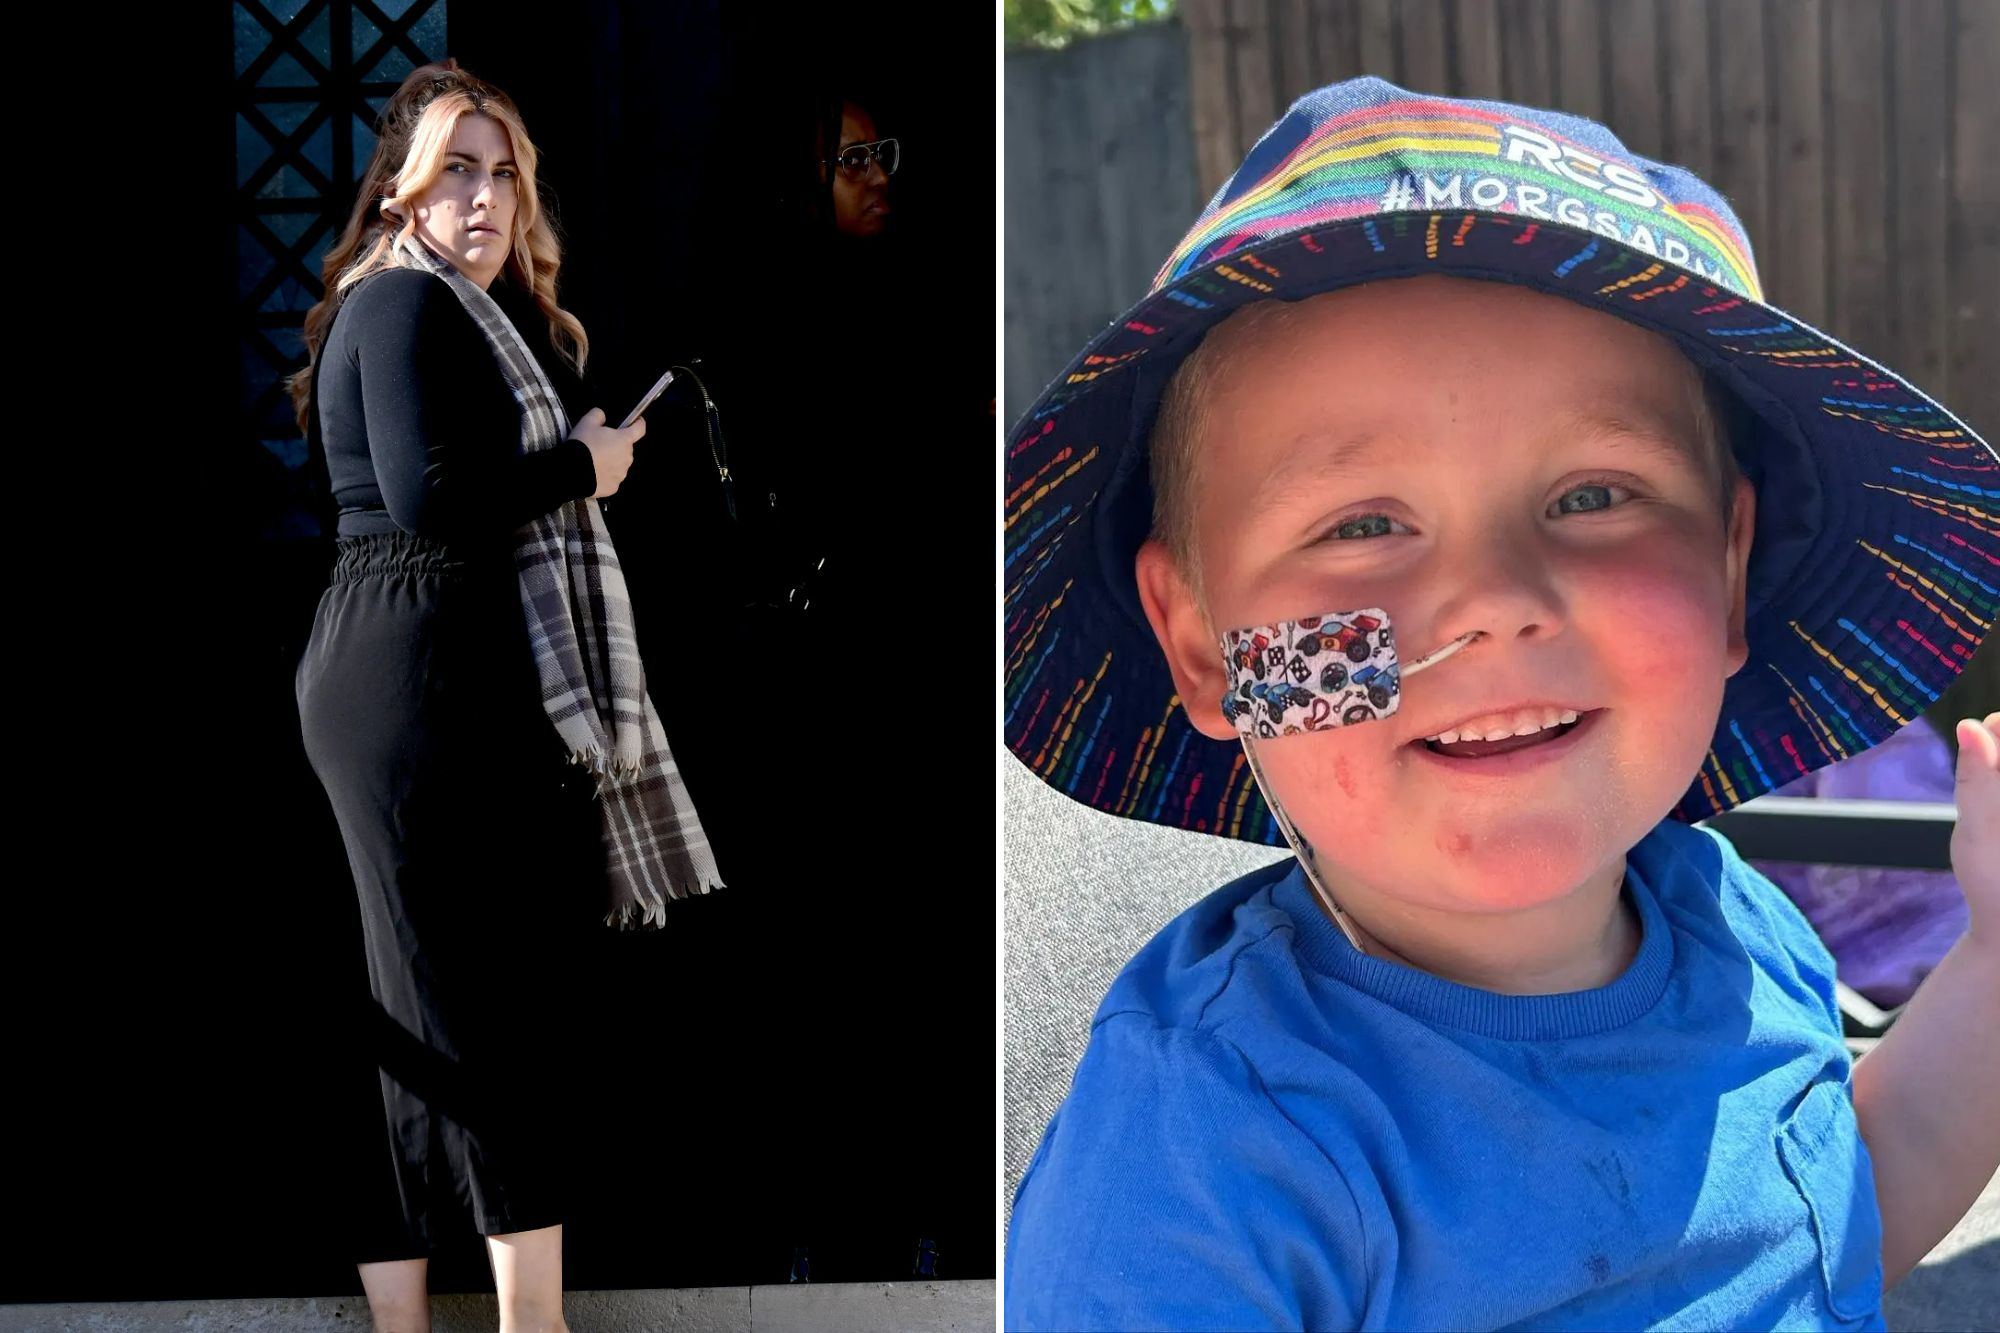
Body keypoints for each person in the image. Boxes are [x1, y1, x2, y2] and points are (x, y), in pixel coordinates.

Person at [1001, 76, 2000, 1329]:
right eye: (1360, 524)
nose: (1491, 603)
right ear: (1206, 651)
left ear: (1731, 566)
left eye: (1593, 496)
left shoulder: (1740, 930)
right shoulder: (1196, 1157)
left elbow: (1822, 1231)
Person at [289, 61, 721, 1329]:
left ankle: (420, 1321)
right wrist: (577, 471)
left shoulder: (434, 312)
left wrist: (562, 462)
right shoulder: (407, 308)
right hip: (412, 669)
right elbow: (432, 501)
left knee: (425, 995)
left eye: (504, 172)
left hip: (417, 661)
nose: (484, 197)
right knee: (473, 1007)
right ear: (403, 192)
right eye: (456, 171)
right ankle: (532, 1322)